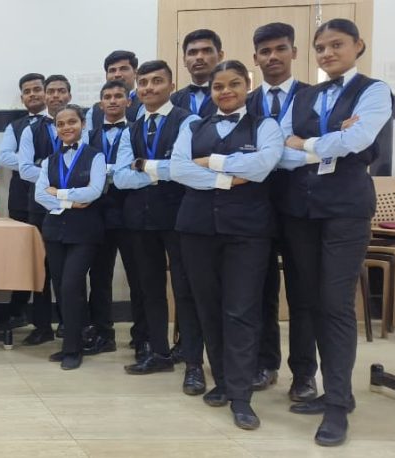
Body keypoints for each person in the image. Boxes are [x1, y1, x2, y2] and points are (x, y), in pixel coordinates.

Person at [278, 18, 392, 446]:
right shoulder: (304, 95)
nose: (327, 53)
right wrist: (331, 141)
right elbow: (280, 151)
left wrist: (306, 143)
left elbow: (359, 140)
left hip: (345, 210)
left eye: (336, 45)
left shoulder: (374, 90)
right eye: (321, 47)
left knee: (336, 304)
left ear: (358, 45)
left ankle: (338, 405)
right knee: (309, 301)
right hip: (302, 210)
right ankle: (332, 390)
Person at [171, 60, 284, 430]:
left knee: (241, 311)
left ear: (247, 86)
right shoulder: (193, 126)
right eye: (219, 86)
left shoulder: (265, 126)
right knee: (208, 308)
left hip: (247, 232)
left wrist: (212, 163)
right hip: (197, 229)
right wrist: (228, 178)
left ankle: (241, 396)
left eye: (234, 84)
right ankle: (221, 380)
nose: (226, 91)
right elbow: (179, 169)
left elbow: (263, 165)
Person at [114, 60, 207, 399]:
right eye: (143, 82)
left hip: (180, 216)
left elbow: (183, 169)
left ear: (171, 85)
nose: (149, 87)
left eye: (157, 81)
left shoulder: (188, 121)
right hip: (140, 219)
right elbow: (121, 178)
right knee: (149, 287)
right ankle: (159, 353)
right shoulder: (132, 128)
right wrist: (159, 171)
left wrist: (144, 166)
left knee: (185, 289)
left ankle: (194, 363)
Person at [247, 22, 317, 401]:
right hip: (254, 210)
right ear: (255, 57)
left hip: (302, 208)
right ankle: (265, 363)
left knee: (303, 293)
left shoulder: (313, 97)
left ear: (294, 52)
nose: (272, 56)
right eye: (265, 51)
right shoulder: (245, 102)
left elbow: (322, 146)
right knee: (260, 291)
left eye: (280, 49)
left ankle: (304, 373)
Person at [34, 104, 107, 370]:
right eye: (61, 124)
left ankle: (74, 349)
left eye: (72, 122)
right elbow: (40, 195)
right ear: (56, 128)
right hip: (55, 232)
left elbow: (94, 191)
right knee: (60, 288)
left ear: (83, 124)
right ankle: (71, 342)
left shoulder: (95, 157)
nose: (66, 127)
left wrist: (59, 194)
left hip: (84, 232)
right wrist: (71, 202)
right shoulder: (49, 161)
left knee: (71, 286)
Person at [17, 74, 73, 345]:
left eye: (61, 91)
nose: (55, 96)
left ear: (69, 95)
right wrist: (59, 175)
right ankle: (41, 326)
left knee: (67, 271)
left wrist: (51, 174)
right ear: (45, 96)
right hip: (39, 207)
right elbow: (25, 169)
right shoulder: (31, 130)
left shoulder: (80, 125)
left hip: (74, 207)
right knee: (40, 268)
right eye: (51, 91)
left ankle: (69, 324)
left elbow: (86, 163)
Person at [84, 80, 135, 356]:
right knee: (99, 275)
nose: (113, 100)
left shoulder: (138, 131)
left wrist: (104, 171)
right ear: (100, 103)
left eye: (118, 96)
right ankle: (103, 333)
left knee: (137, 275)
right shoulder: (89, 136)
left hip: (130, 211)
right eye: (107, 96)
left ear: (128, 101)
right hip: (97, 213)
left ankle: (143, 335)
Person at [0, 73, 50, 329]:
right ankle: (17, 311)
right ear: (22, 98)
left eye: (37, 89)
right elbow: (5, 157)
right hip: (21, 198)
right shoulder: (15, 126)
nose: (32, 94)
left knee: (49, 258)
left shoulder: (62, 121)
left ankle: (51, 319)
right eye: (27, 91)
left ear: (46, 91)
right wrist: (31, 164)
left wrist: (37, 168)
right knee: (22, 257)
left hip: (52, 197)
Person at [171, 29, 223, 118]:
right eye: (192, 52)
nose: (199, 57)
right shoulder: (173, 100)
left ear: (220, 56)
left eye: (207, 51)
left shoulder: (230, 96)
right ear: (184, 60)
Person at [88, 50, 143, 131]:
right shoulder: (93, 111)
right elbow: (86, 137)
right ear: (106, 76)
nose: (117, 75)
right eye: (112, 70)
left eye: (123, 69)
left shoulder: (144, 105)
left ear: (135, 73)